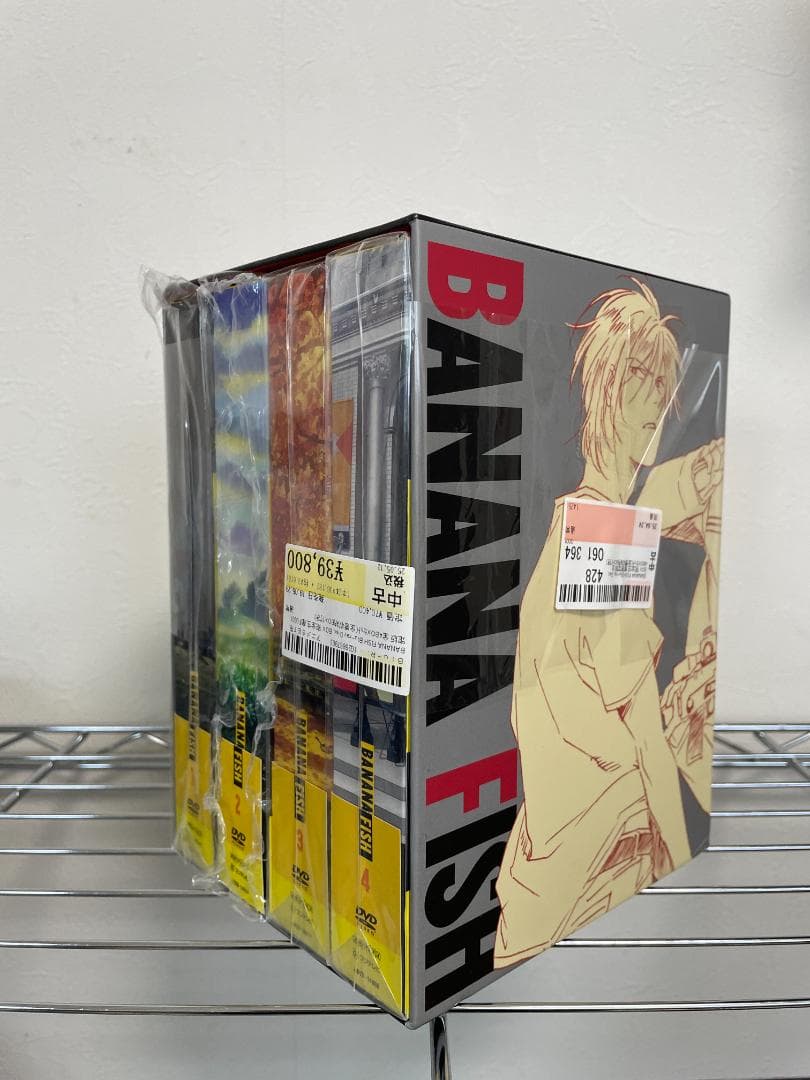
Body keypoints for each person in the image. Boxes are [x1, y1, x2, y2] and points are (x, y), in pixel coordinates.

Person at [494, 278, 723, 967]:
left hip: (563, 870)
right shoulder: (599, 532)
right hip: (590, 874)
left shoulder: (592, 523)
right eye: (638, 378)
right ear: (603, 391)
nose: (655, 401)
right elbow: (646, 732)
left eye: (661, 382)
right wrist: (684, 867)